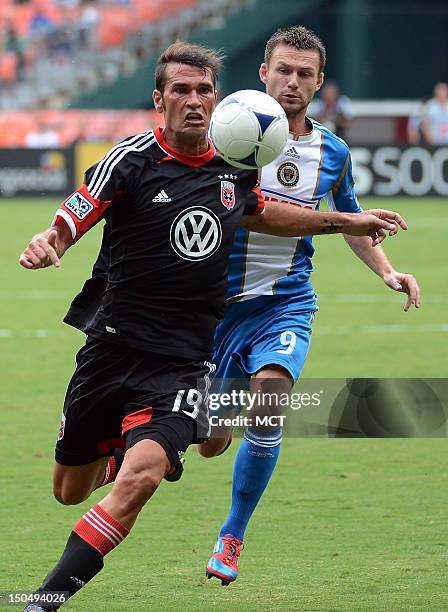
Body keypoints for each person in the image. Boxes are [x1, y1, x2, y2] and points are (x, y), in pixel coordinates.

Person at [18, 41, 403, 611]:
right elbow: (77, 210)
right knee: (69, 490)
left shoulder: (234, 166)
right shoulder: (129, 159)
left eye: (204, 91)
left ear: (218, 100)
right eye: (181, 90)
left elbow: (268, 211)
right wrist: (51, 240)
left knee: (144, 478)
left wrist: (348, 219)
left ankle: (41, 600)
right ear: (159, 99)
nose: (194, 101)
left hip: (182, 360)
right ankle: (115, 447)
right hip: (112, 349)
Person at [200, 26, 420, 586]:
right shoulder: (227, 138)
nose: (291, 82)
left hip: (287, 303)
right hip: (213, 307)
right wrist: (348, 222)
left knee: (270, 402)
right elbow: (256, 213)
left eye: (304, 74)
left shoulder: (333, 151)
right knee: (210, 442)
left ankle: (232, 536)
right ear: (263, 73)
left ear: (320, 82)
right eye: (283, 70)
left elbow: (353, 218)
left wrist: (387, 270)